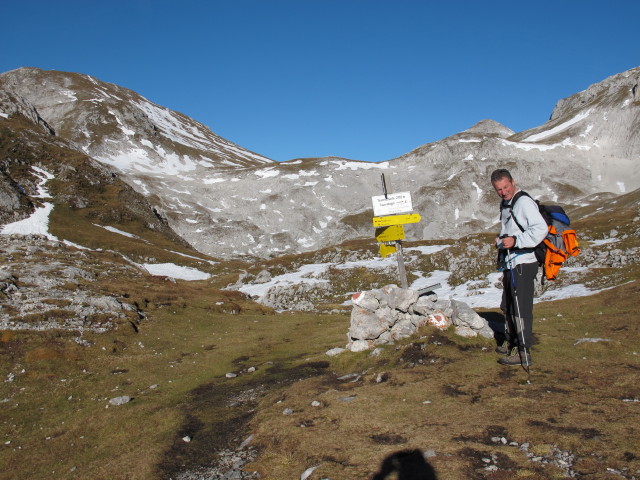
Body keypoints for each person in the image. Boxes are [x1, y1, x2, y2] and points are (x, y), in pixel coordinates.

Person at [491, 168, 548, 367]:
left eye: (506, 187)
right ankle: (510, 342)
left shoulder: (523, 202)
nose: (503, 192)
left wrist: (515, 240)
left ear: (513, 182)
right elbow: (511, 229)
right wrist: (502, 240)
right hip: (511, 261)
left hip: (524, 262)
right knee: (507, 305)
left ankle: (523, 352)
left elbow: (541, 229)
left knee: (520, 308)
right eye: (499, 189)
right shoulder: (506, 203)